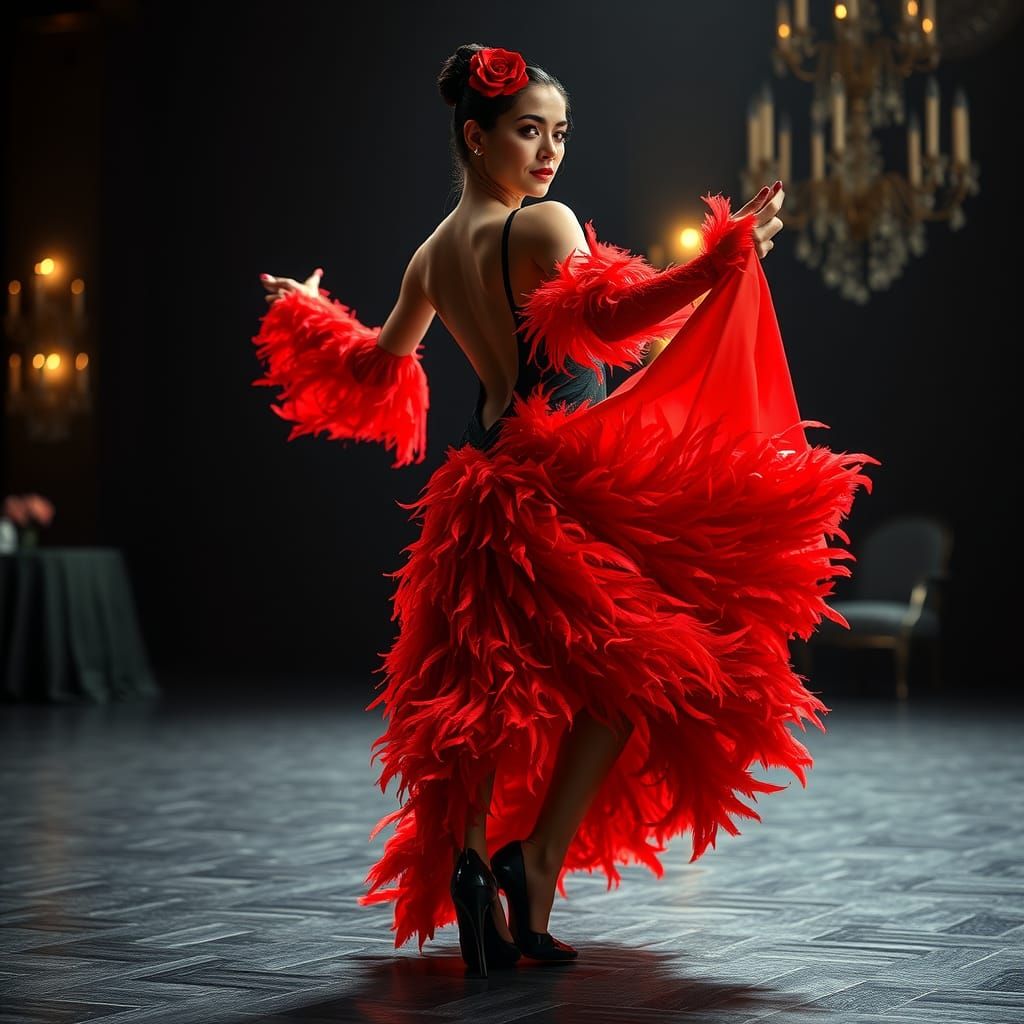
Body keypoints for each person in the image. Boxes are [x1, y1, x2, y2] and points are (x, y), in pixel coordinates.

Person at [251, 43, 876, 976]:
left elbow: (376, 366)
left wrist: (308, 313)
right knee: (631, 680)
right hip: (562, 484)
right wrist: (725, 256)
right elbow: (613, 321)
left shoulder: (432, 253)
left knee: (481, 702)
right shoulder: (542, 225)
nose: (549, 153)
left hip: (479, 488)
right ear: (477, 135)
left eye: (560, 134)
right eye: (529, 131)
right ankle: (533, 861)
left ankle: (478, 867)